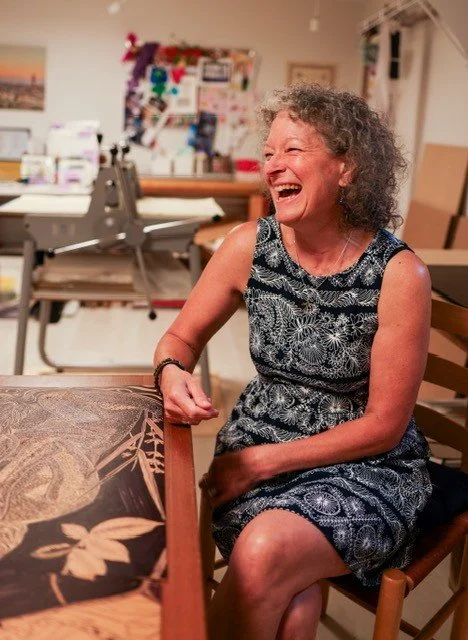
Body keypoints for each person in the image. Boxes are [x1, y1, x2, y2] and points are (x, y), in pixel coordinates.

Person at [153, 83, 432, 640]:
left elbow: (383, 425)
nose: (273, 166)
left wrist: (259, 464)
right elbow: (178, 338)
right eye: (269, 153)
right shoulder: (249, 246)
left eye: (293, 150)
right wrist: (171, 372)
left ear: (347, 168)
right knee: (292, 606)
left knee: (263, 553)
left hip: (364, 466)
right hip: (260, 439)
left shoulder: (399, 274)